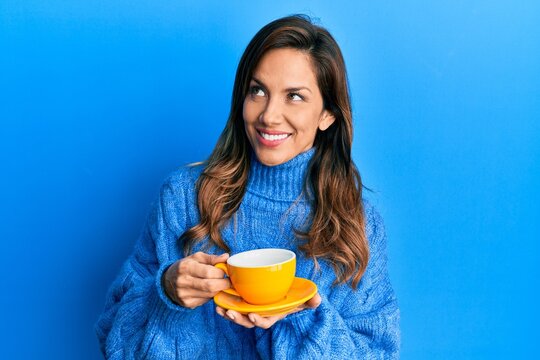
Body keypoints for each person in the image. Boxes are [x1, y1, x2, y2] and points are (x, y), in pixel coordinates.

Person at [95, 14, 400, 359]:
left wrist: (304, 319)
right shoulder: (182, 198)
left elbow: (377, 352)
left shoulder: (357, 223)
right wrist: (166, 295)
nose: (269, 115)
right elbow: (114, 341)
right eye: (258, 91)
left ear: (327, 114)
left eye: (295, 96)